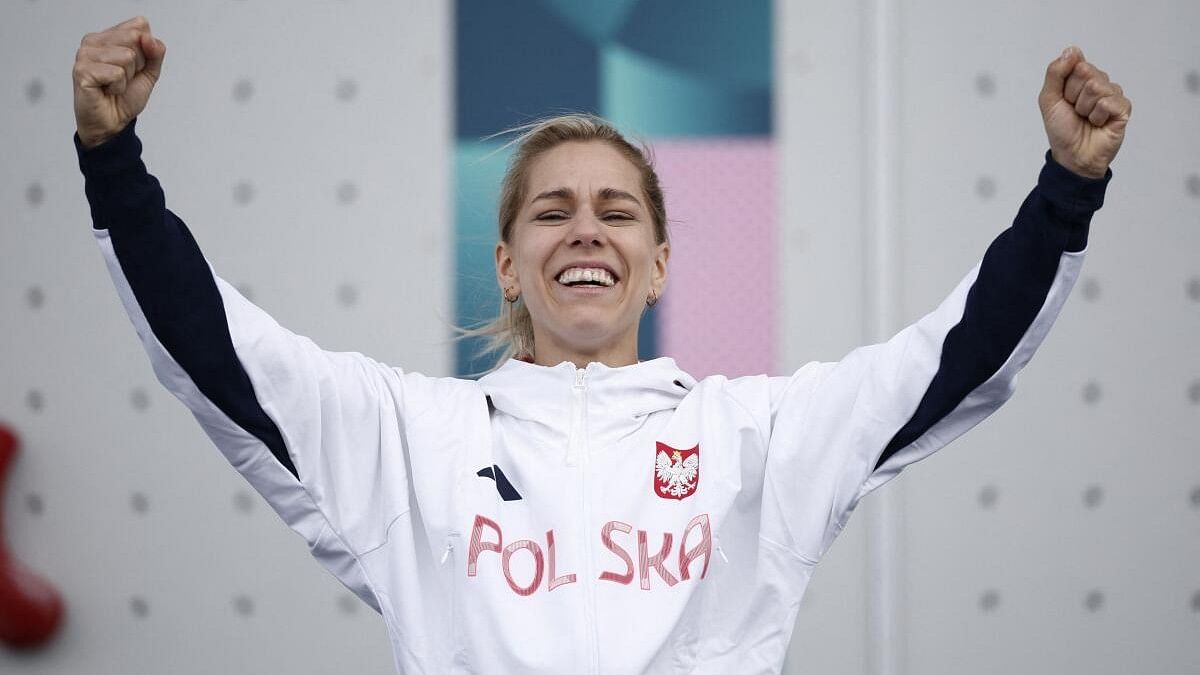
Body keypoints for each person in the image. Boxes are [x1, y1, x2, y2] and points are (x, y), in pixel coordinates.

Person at [73, 15, 1131, 675]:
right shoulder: (413, 437)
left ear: (659, 264)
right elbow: (221, 355)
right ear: (506, 264)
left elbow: (953, 360)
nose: (586, 229)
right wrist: (113, 163)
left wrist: (1066, 189)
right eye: (554, 211)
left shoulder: (753, 436)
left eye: (618, 213)